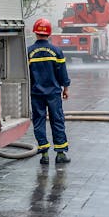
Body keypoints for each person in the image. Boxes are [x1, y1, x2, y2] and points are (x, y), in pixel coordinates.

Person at [28, 18, 70, 164]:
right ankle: (60, 154)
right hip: (53, 93)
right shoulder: (56, 51)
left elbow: (26, 75)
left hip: (36, 94)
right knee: (57, 120)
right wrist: (66, 88)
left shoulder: (29, 52)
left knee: (39, 121)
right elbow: (62, 73)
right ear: (49, 33)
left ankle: (44, 154)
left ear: (35, 33)